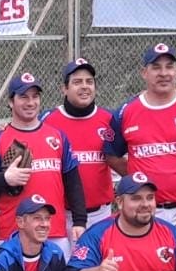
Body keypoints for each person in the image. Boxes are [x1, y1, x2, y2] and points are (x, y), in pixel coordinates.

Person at [108, 44, 176, 264]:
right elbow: (111, 154)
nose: (163, 73)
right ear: (144, 73)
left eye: (169, 67)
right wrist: (136, 176)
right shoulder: (126, 110)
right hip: (146, 211)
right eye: (156, 67)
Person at [0, 72, 87, 254]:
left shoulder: (57, 136)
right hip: (13, 232)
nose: (30, 102)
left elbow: (73, 182)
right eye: (23, 97)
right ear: (11, 102)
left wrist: (79, 221)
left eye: (35, 96)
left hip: (53, 232)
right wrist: (5, 179)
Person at [41, 58, 124, 229]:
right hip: (60, 214)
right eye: (77, 82)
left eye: (89, 82)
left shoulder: (109, 119)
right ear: (64, 88)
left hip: (101, 213)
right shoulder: (47, 120)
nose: (84, 86)